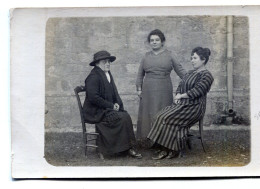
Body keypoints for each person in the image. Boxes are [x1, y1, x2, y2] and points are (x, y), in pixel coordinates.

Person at [147, 47, 214, 160]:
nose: (192, 60)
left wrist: (181, 96)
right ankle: (165, 146)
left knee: (167, 118)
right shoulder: (190, 73)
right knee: (159, 115)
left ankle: (171, 149)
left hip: (195, 107)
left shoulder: (207, 76)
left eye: (195, 58)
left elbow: (197, 91)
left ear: (203, 60)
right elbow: (180, 85)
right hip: (182, 104)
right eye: (191, 58)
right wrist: (177, 95)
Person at [83, 50, 142, 159]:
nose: (108, 64)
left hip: (104, 108)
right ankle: (122, 148)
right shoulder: (93, 76)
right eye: (104, 62)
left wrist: (117, 104)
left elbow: (114, 93)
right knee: (121, 118)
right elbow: (93, 98)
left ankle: (127, 147)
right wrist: (110, 106)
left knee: (124, 115)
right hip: (95, 111)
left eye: (109, 61)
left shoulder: (107, 74)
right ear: (97, 63)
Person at [136, 29, 186, 140]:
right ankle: (148, 139)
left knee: (162, 113)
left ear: (162, 41)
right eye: (152, 40)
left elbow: (181, 71)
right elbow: (140, 74)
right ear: (149, 42)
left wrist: (193, 80)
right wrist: (139, 89)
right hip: (148, 89)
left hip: (164, 89)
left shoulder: (170, 55)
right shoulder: (145, 56)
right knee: (148, 114)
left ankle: (163, 140)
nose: (154, 42)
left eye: (157, 40)